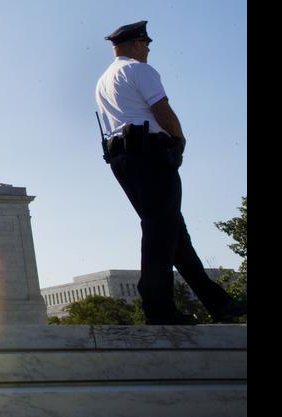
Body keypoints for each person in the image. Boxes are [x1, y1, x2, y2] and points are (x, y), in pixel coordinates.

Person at [95, 21, 246, 325]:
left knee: (174, 235)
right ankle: (158, 307)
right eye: (146, 42)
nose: (148, 48)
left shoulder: (104, 80)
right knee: (160, 231)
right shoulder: (140, 70)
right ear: (136, 43)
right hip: (149, 154)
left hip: (123, 158)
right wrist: (179, 140)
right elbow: (161, 109)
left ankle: (218, 302)